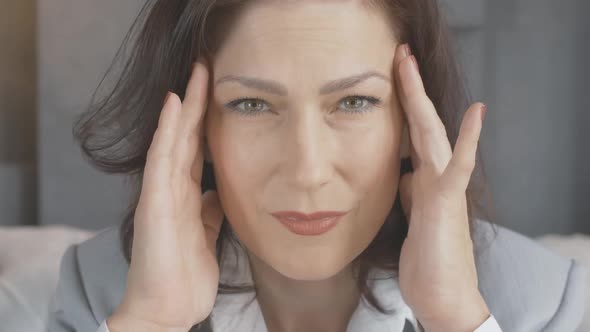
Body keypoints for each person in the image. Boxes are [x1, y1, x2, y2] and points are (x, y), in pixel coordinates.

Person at [47, 0, 587, 331]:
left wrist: (456, 323)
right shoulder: (96, 292)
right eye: (251, 104)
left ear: (410, 121)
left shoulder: (547, 303)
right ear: (196, 132)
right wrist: (151, 325)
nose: (308, 171)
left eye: (354, 102)